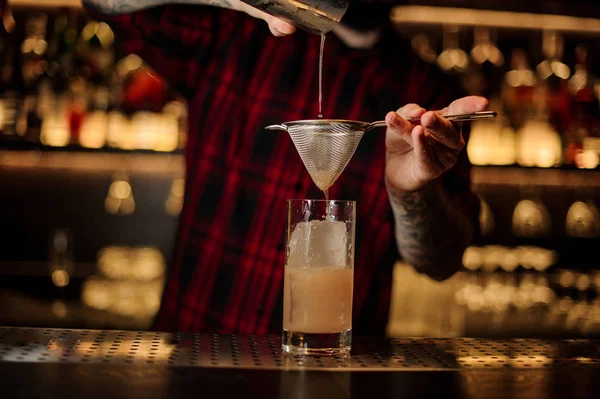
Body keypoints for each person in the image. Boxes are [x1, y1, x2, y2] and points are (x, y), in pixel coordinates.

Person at [83, 0, 487, 336]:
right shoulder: (233, 31)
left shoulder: (430, 98)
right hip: (196, 356)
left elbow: (441, 261)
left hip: (334, 370)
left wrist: (410, 191)